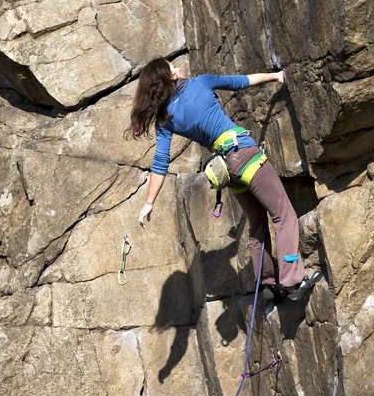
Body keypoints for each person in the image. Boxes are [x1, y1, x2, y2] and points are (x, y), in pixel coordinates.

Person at [125, 57, 322, 301]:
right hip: (245, 154)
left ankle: (268, 285)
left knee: (257, 222)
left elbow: (160, 163)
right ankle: (292, 281)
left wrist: (149, 202)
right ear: (171, 77)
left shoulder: (165, 120)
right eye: (173, 67)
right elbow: (240, 82)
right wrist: (276, 76)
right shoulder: (200, 83)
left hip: (227, 171)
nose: (179, 68)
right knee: (283, 214)